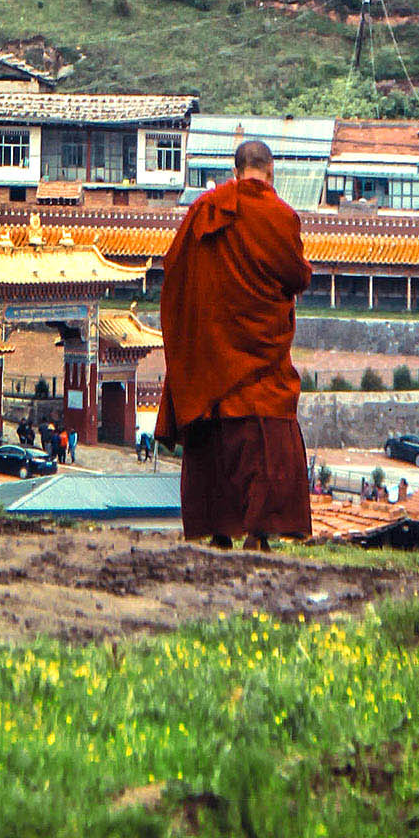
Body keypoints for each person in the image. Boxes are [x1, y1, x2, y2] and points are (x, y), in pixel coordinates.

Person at [156, 136, 314, 551]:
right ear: (271, 173)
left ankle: (218, 530)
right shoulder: (280, 216)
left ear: (234, 172)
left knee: (215, 430)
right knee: (264, 434)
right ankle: (260, 532)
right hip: (262, 351)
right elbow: (298, 276)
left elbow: (175, 271)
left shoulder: (203, 211)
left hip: (213, 351)